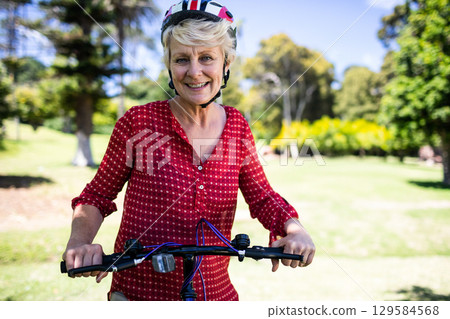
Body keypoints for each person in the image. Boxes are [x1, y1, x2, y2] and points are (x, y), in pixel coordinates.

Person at [62, 0, 315, 301]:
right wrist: (79, 243)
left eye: (206, 57)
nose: (195, 72)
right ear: (169, 64)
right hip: (139, 294)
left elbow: (262, 197)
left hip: (216, 294)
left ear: (226, 63)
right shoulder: (138, 122)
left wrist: (293, 227)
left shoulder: (237, 126)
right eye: (182, 59)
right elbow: (97, 195)